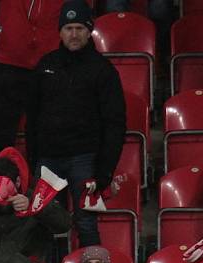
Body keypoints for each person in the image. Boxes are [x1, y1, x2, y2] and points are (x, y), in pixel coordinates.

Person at [27, 0, 126, 248]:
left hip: (84, 159)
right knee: (43, 222)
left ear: (89, 30)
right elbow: (33, 116)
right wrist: (33, 159)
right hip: (48, 158)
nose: (74, 34)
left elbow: (115, 123)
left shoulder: (103, 70)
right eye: (68, 28)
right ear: (60, 31)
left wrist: (104, 171)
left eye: (79, 28)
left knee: (85, 224)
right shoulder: (45, 65)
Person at [0, 0, 59, 157]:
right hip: (12, 58)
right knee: (4, 133)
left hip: (49, 60)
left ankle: (39, 175)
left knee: (42, 132)